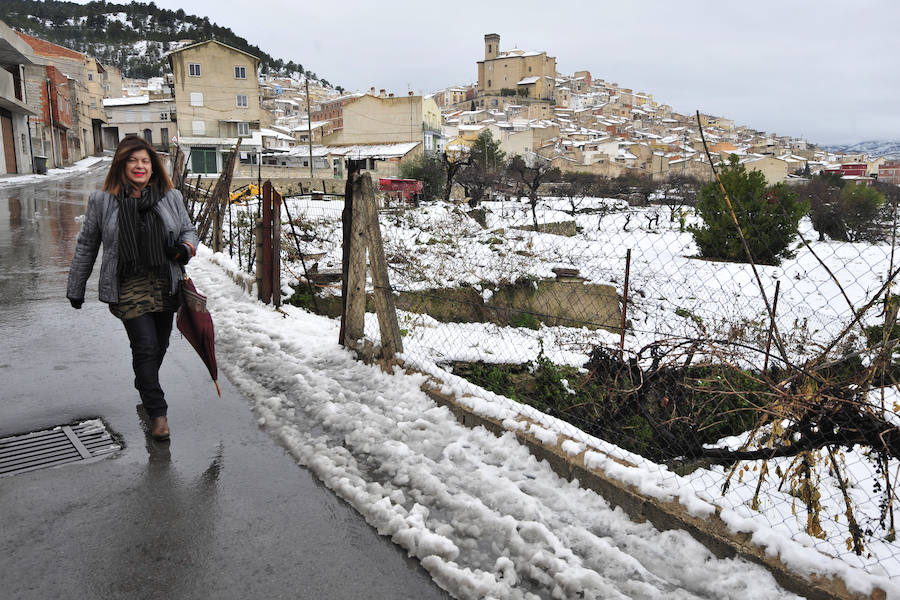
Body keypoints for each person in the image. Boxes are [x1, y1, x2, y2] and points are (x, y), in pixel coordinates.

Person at [67, 136, 198, 441]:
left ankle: (144, 381)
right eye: (133, 160)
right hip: (127, 284)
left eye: (145, 161)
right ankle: (158, 414)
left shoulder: (171, 197)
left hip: (164, 282)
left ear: (153, 166)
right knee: (145, 346)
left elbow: (188, 231)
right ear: (122, 165)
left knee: (159, 346)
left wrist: (184, 249)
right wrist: (76, 286)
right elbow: (87, 244)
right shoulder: (102, 201)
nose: (140, 166)